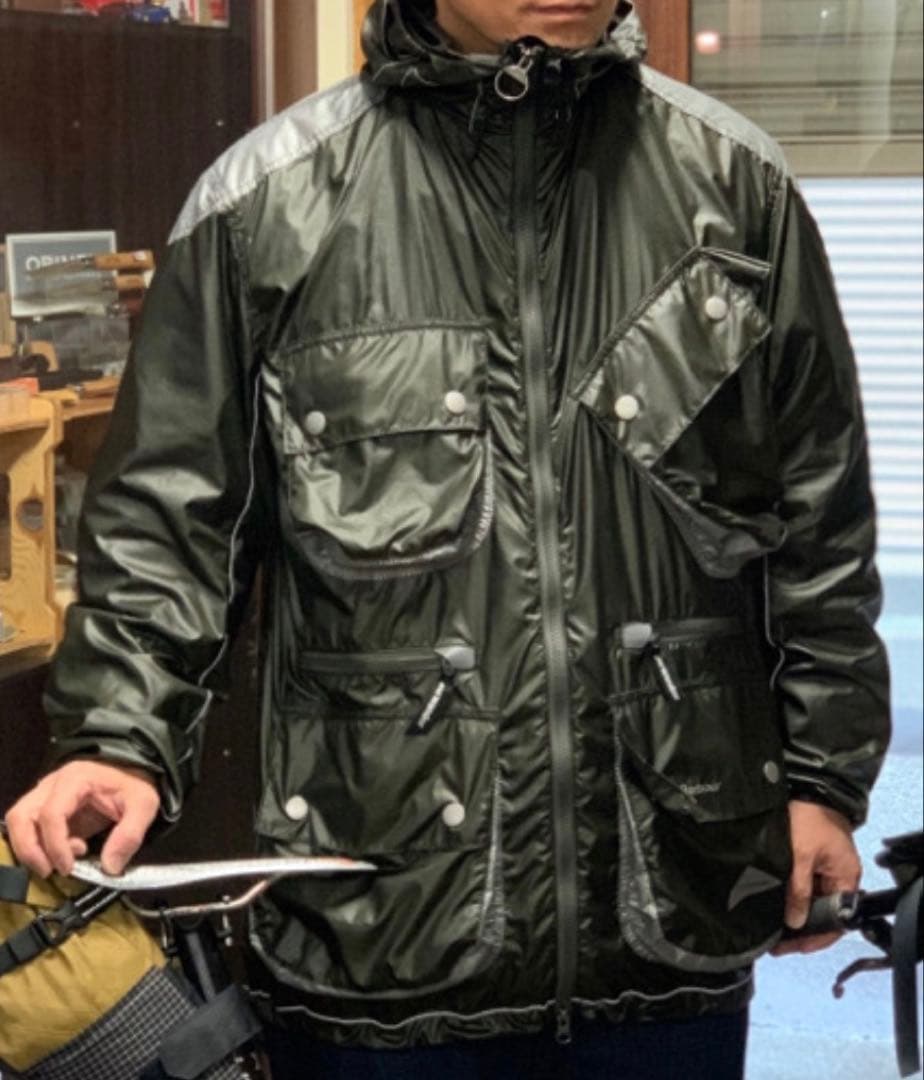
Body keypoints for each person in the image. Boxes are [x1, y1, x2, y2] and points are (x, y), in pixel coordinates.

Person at [4, 1, 891, 1077]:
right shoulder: (264, 204)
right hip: (378, 921)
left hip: (672, 901)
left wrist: (824, 778)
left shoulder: (737, 186)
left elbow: (819, 515)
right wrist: (117, 737)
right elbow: (169, 522)